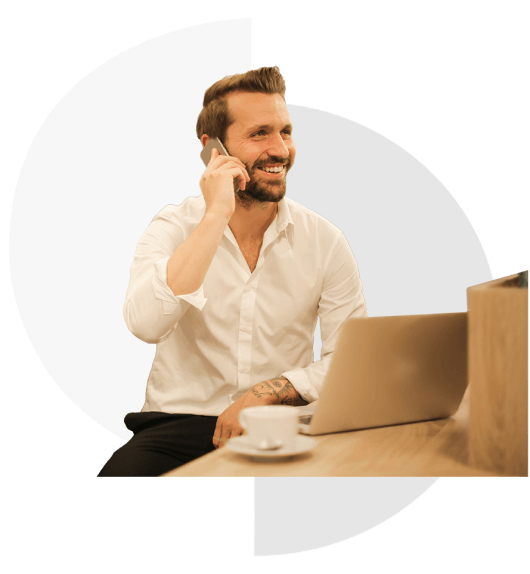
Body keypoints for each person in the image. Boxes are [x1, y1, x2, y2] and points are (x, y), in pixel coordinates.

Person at [97, 66, 368, 477]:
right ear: (213, 150)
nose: (280, 149)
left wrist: (269, 392)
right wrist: (215, 215)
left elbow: (350, 361)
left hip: (283, 422)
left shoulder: (324, 240)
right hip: (177, 425)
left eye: (286, 132)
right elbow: (146, 324)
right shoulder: (173, 227)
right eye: (260, 134)